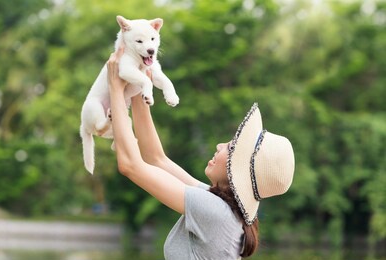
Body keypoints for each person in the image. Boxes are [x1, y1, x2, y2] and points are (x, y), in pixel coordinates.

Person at [106, 45, 295, 260]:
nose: (219, 146)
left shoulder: (214, 211)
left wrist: (115, 87)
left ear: (237, 170)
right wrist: (140, 82)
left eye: (230, 148)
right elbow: (155, 159)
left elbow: (131, 165)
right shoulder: (220, 206)